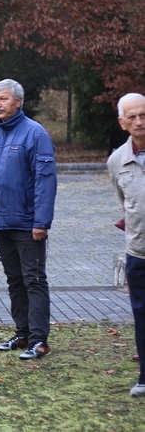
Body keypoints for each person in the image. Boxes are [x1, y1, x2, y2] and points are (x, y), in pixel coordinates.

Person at [0, 79, 57, 360]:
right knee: (14, 281)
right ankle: (22, 334)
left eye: (3, 99)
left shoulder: (35, 135)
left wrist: (41, 222)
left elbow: (45, 182)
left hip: (28, 225)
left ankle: (40, 340)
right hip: (2, 225)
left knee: (34, 280)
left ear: (19, 101)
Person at [107, 92, 145, 397]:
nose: (139, 121)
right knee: (142, 315)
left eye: (143, 115)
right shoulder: (117, 161)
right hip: (138, 253)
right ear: (122, 122)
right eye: (131, 117)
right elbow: (126, 205)